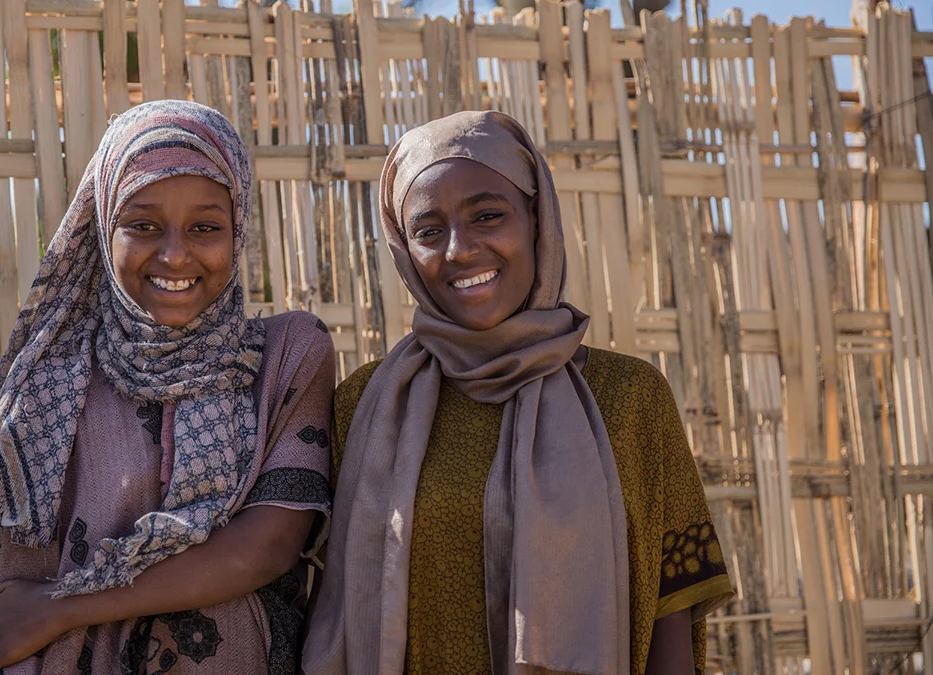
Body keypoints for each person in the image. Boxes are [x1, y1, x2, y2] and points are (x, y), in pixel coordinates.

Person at [303, 110, 734, 675]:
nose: (459, 249)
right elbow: (316, 594)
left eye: (487, 215)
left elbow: (672, 606)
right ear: (404, 251)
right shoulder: (364, 404)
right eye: (429, 231)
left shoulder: (629, 397)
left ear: (537, 219)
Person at [0, 100, 335, 675]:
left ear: (238, 227)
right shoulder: (53, 381)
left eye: (205, 227)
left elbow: (267, 547)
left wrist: (63, 607)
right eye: (143, 225)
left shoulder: (287, 356)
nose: (175, 254)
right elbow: (16, 600)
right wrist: (44, 615)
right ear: (104, 231)